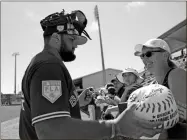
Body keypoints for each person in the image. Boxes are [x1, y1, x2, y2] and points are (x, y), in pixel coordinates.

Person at [19, 9, 163, 140]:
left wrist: (77, 103)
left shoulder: (43, 61)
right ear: (56, 38)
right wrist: (115, 127)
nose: (75, 45)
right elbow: (50, 130)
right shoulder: (49, 65)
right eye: (71, 39)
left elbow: (47, 112)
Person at [134, 38, 187, 139]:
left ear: (165, 55)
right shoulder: (153, 85)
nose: (144, 59)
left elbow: (180, 116)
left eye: (148, 54)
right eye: (142, 56)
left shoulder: (176, 74)